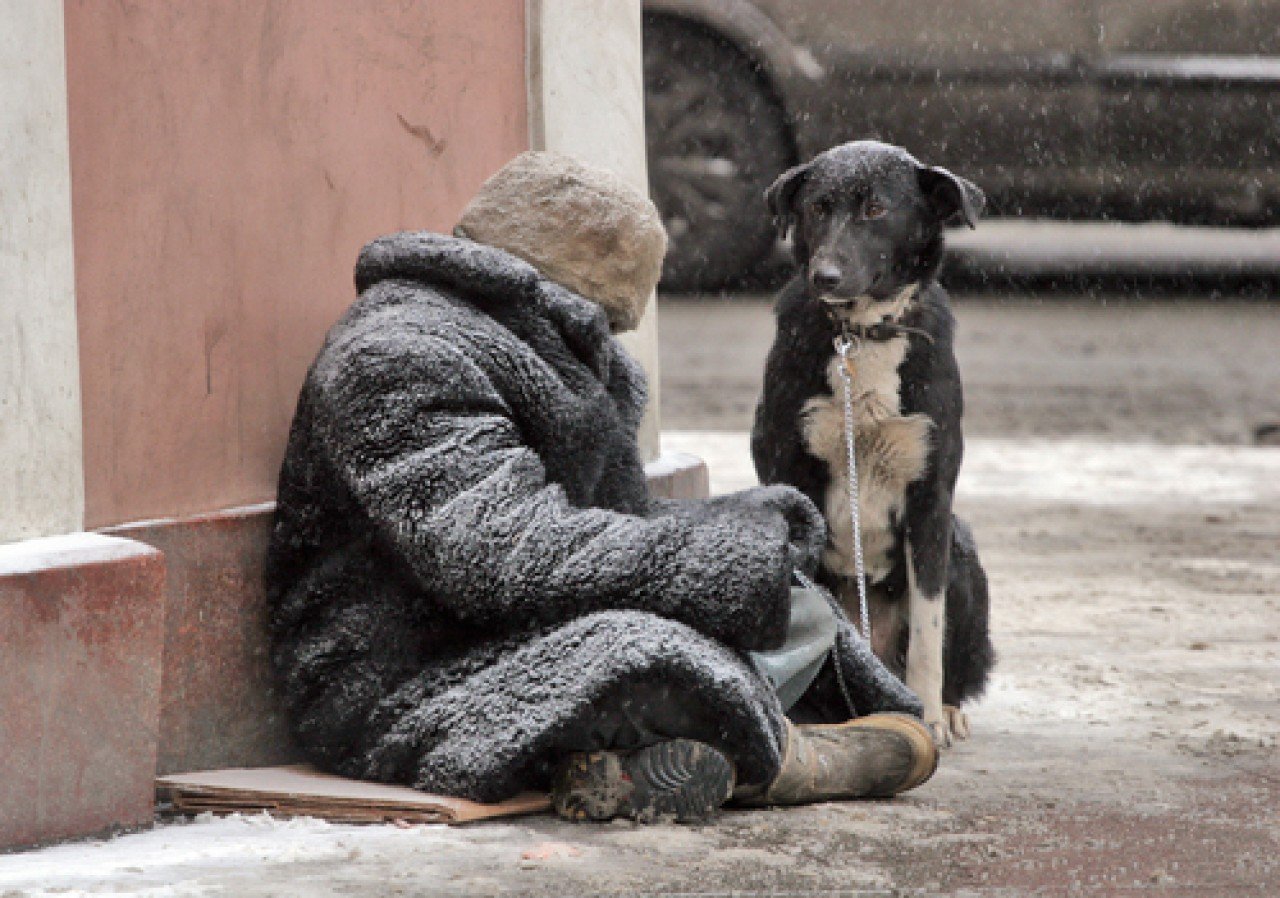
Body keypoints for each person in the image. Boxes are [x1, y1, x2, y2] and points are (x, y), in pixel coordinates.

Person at [266, 151, 936, 823]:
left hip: (523, 625)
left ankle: (663, 755)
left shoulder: (553, 354)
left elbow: (614, 524)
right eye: (604, 322)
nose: (611, 342)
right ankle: (780, 759)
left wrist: (738, 538)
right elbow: (499, 552)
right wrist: (699, 561)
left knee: (782, 587)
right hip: (399, 681)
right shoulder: (399, 354)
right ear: (553, 294)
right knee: (642, 652)